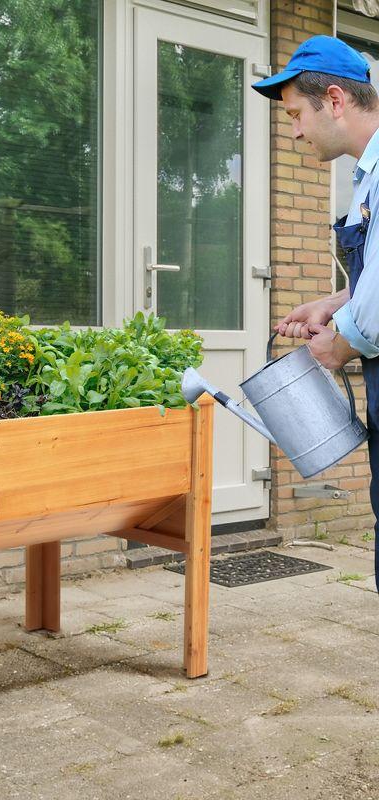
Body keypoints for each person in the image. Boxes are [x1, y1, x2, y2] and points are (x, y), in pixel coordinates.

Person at [253, 35, 379, 590]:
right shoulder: (365, 179)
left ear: (334, 100)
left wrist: (341, 341)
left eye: (297, 115)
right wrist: (336, 303)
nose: (295, 130)